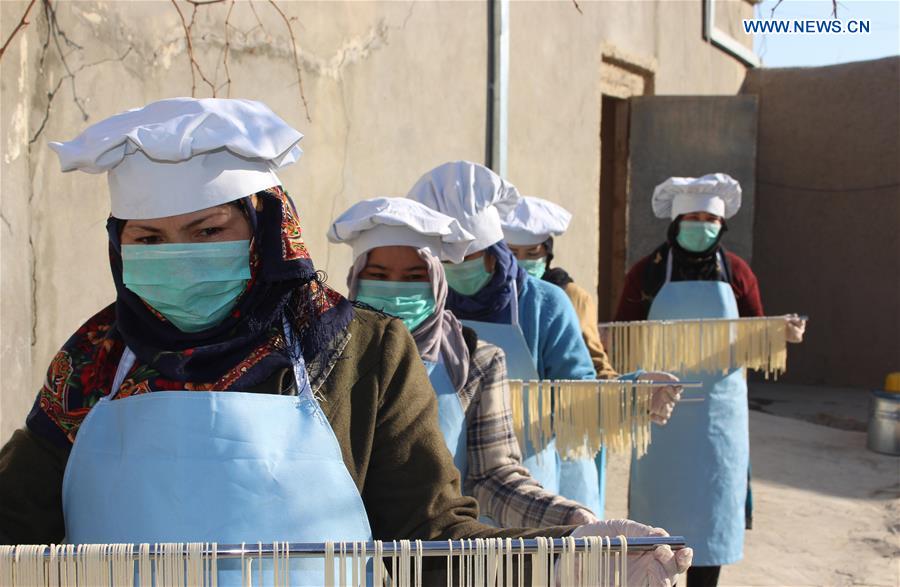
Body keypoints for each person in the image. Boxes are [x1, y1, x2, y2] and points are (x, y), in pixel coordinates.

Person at [0, 98, 692, 585]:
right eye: (148, 238)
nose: (175, 255)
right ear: (119, 246)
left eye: (207, 231)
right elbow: (15, 517)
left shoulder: (360, 353)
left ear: (266, 232)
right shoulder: (94, 361)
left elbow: (432, 539)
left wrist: (570, 555)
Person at [329, 196, 597, 527]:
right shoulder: (324, 357)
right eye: (380, 275)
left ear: (438, 283)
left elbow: (494, 477)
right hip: (344, 553)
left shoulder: (475, 362)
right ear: (354, 278)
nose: (396, 291)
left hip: (437, 555)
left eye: (414, 277)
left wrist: (567, 516)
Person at [614, 174, 805, 587]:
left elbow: (757, 330)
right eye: (692, 217)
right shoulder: (648, 272)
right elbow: (621, 334)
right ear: (675, 221)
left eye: (709, 219)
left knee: (710, 520)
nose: (701, 226)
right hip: (662, 413)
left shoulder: (736, 272)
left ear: (721, 226)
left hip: (718, 415)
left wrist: (779, 335)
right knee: (656, 531)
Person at [501, 195, 618, 379]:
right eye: (513, 254)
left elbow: (592, 361)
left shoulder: (569, 296)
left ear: (547, 254)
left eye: (532, 254)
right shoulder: (493, 295)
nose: (522, 261)